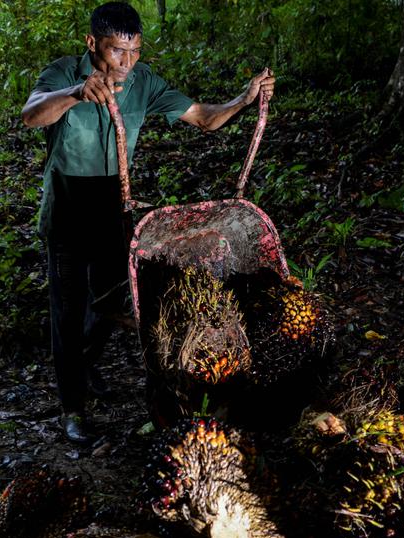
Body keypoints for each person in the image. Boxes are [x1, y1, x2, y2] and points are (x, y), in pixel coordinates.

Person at [21, 2, 274, 442]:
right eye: (118, 51)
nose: (127, 61)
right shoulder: (64, 73)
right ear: (92, 43)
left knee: (113, 299)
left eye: (134, 51)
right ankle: (73, 408)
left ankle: (85, 365)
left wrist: (243, 99)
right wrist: (77, 92)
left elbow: (203, 118)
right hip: (67, 205)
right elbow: (32, 114)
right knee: (67, 307)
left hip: (113, 207)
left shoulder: (143, 81)